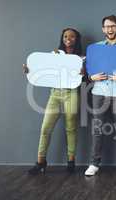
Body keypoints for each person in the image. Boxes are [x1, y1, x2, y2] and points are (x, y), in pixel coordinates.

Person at [24, 28, 84, 174]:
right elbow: (43, 70)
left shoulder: (81, 57)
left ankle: (71, 162)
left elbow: (85, 77)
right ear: (62, 38)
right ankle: (40, 162)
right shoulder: (55, 55)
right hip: (55, 93)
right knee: (45, 128)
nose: (68, 38)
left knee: (71, 128)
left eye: (72, 36)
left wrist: (84, 72)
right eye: (65, 36)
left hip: (72, 93)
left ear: (76, 39)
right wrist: (29, 70)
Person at [85, 15, 116, 176]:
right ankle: (94, 164)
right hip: (99, 92)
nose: (110, 29)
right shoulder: (95, 48)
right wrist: (92, 78)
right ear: (103, 29)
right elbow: (88, 71)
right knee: (97, 129)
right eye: (107, 26)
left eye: (113, 26)